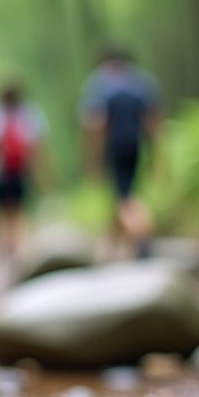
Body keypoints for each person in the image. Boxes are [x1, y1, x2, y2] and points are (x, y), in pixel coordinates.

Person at [80, 48, 161, 259]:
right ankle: (112, 247)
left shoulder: (98, 83)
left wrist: (93, 159)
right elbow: (152, 121)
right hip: (135, 145)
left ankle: (141, 237)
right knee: (122, 194)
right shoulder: (139, 81)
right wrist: (156, 156)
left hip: (113, 147)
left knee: (125, 198)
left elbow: (95, 124)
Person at [0, 82, 47, 259]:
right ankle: (19, 250)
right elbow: (36, 150)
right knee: (19, 211)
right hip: (20, 172)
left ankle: (2, 252)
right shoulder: (29, 114)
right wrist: (42, 177)